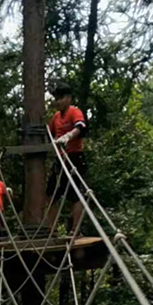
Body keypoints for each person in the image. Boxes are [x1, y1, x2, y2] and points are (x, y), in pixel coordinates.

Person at [46, 83, 87, 233]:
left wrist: (69, 136)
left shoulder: (74, 112)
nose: (58, 102)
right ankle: (52, 230)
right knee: (51, 194)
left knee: (75, 195)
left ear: (68, 98)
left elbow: (81, 126)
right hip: (60, 159)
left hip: (74, 157)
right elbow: (49, 132)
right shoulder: (56, 117)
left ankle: (75, 230)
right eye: (56, 99)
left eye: (61, 98)